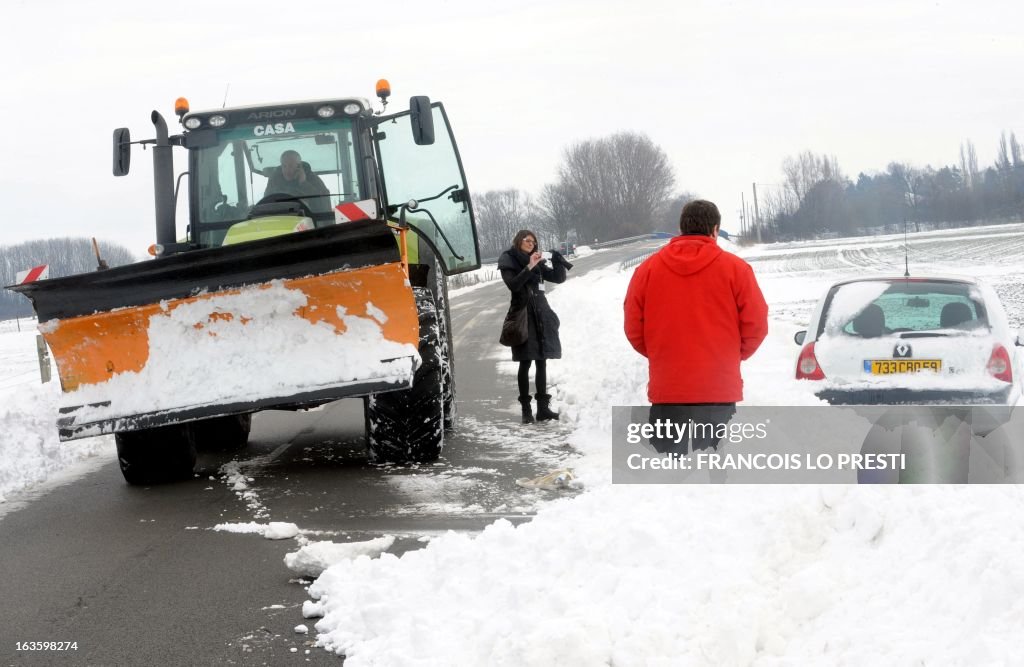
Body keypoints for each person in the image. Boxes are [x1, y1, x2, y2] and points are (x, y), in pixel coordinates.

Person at [623, 199, 768, 454]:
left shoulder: (647, 270)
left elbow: (634, 327)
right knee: (713, 471)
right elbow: (756, 324)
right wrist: (731, 356)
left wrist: (660, 353)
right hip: (718, 390)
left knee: (667, 471)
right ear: (714, 230)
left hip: (668, 388)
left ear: (682, 229)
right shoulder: (737, 270)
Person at [498, 230, 573, 424]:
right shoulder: (509, 259)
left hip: (541, 313)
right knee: (525, 362)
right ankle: (526, 410)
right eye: (527, 240)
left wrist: (557, 261)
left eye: (534, 241)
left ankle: (542, 410)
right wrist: (529, 266)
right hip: (523, 314)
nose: (531, 243)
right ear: (519, 241)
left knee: (542, 361)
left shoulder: (537, 260)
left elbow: (557, 278)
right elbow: (513, 285)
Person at [264, 150, 330, 209]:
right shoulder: (275, 180)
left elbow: (324, 206)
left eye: (290, 166)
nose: (287, 170)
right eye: (284, 166)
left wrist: (304, 183)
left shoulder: (313, 179)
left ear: (299, 166)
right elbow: (266, 203)